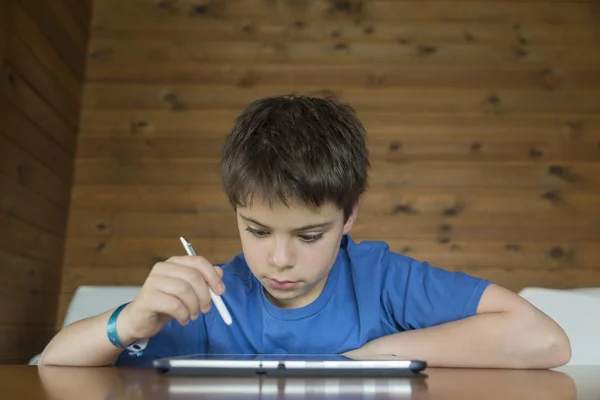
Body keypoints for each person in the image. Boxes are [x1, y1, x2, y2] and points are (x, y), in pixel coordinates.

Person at [39, 95, 571, 368]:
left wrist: (362, 359)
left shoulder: (380, 278)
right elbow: (52, 365)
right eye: (257, 230)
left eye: (311, 236)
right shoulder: (214, 299)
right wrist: (129, 322)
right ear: (235, 213)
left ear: (350, 216)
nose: (279, 260)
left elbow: (545, 339)